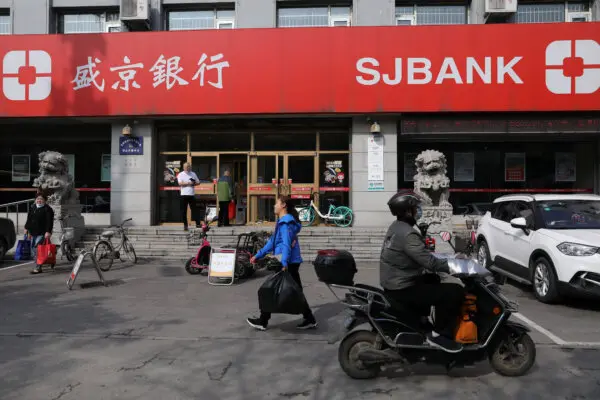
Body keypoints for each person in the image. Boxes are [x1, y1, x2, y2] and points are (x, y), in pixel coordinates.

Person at [380, 189, 465, 353]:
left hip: (395, 282)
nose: (419, 211)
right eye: (416, 208)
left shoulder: (397, 227)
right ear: (407, 211)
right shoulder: (408, 234)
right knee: (454, 292)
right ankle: (439, 335)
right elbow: (430, 262)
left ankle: (422, 321)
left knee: (432, 279)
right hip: (402, 287)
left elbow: (422, 255)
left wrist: (448, 258)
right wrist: (456, 265)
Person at [247, 196, 317, 331]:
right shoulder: (283, 222)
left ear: (283, 205)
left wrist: (284, 262)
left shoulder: (286, 222)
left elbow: (286, 244)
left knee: (270, 289)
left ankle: (263, 320)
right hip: (288, 261)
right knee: (295, 291)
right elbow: (272, 242)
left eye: (276, 203)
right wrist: (258, 255)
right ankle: (309, 318)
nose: (274, 206)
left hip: (287, 262)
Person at [24, 192, 54, 274]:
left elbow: (49, 222)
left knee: (37, 249)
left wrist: (48, 231)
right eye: (37, 199)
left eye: (41, 199)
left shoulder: (47, 209)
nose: (39, 200)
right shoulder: (33, 207)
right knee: (35, 249)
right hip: (33, 231)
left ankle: (38, 267)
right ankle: (49, 259)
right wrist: (26, 228)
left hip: (42, 232)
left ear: (45, 200)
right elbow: (29, 218)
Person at [177, 163, 201, 231]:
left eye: (189, 167)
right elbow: (180, 183)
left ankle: (198, 224)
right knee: (183, 211)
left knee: (195, 210)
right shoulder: (180, 174)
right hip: (183, 195)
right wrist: (188, 183)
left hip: (191, 195)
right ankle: (185, 225)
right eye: (186, 167)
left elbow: (198, 182)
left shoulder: (193, 173)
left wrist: (194, 183)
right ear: (183, 167)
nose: (188, 168)